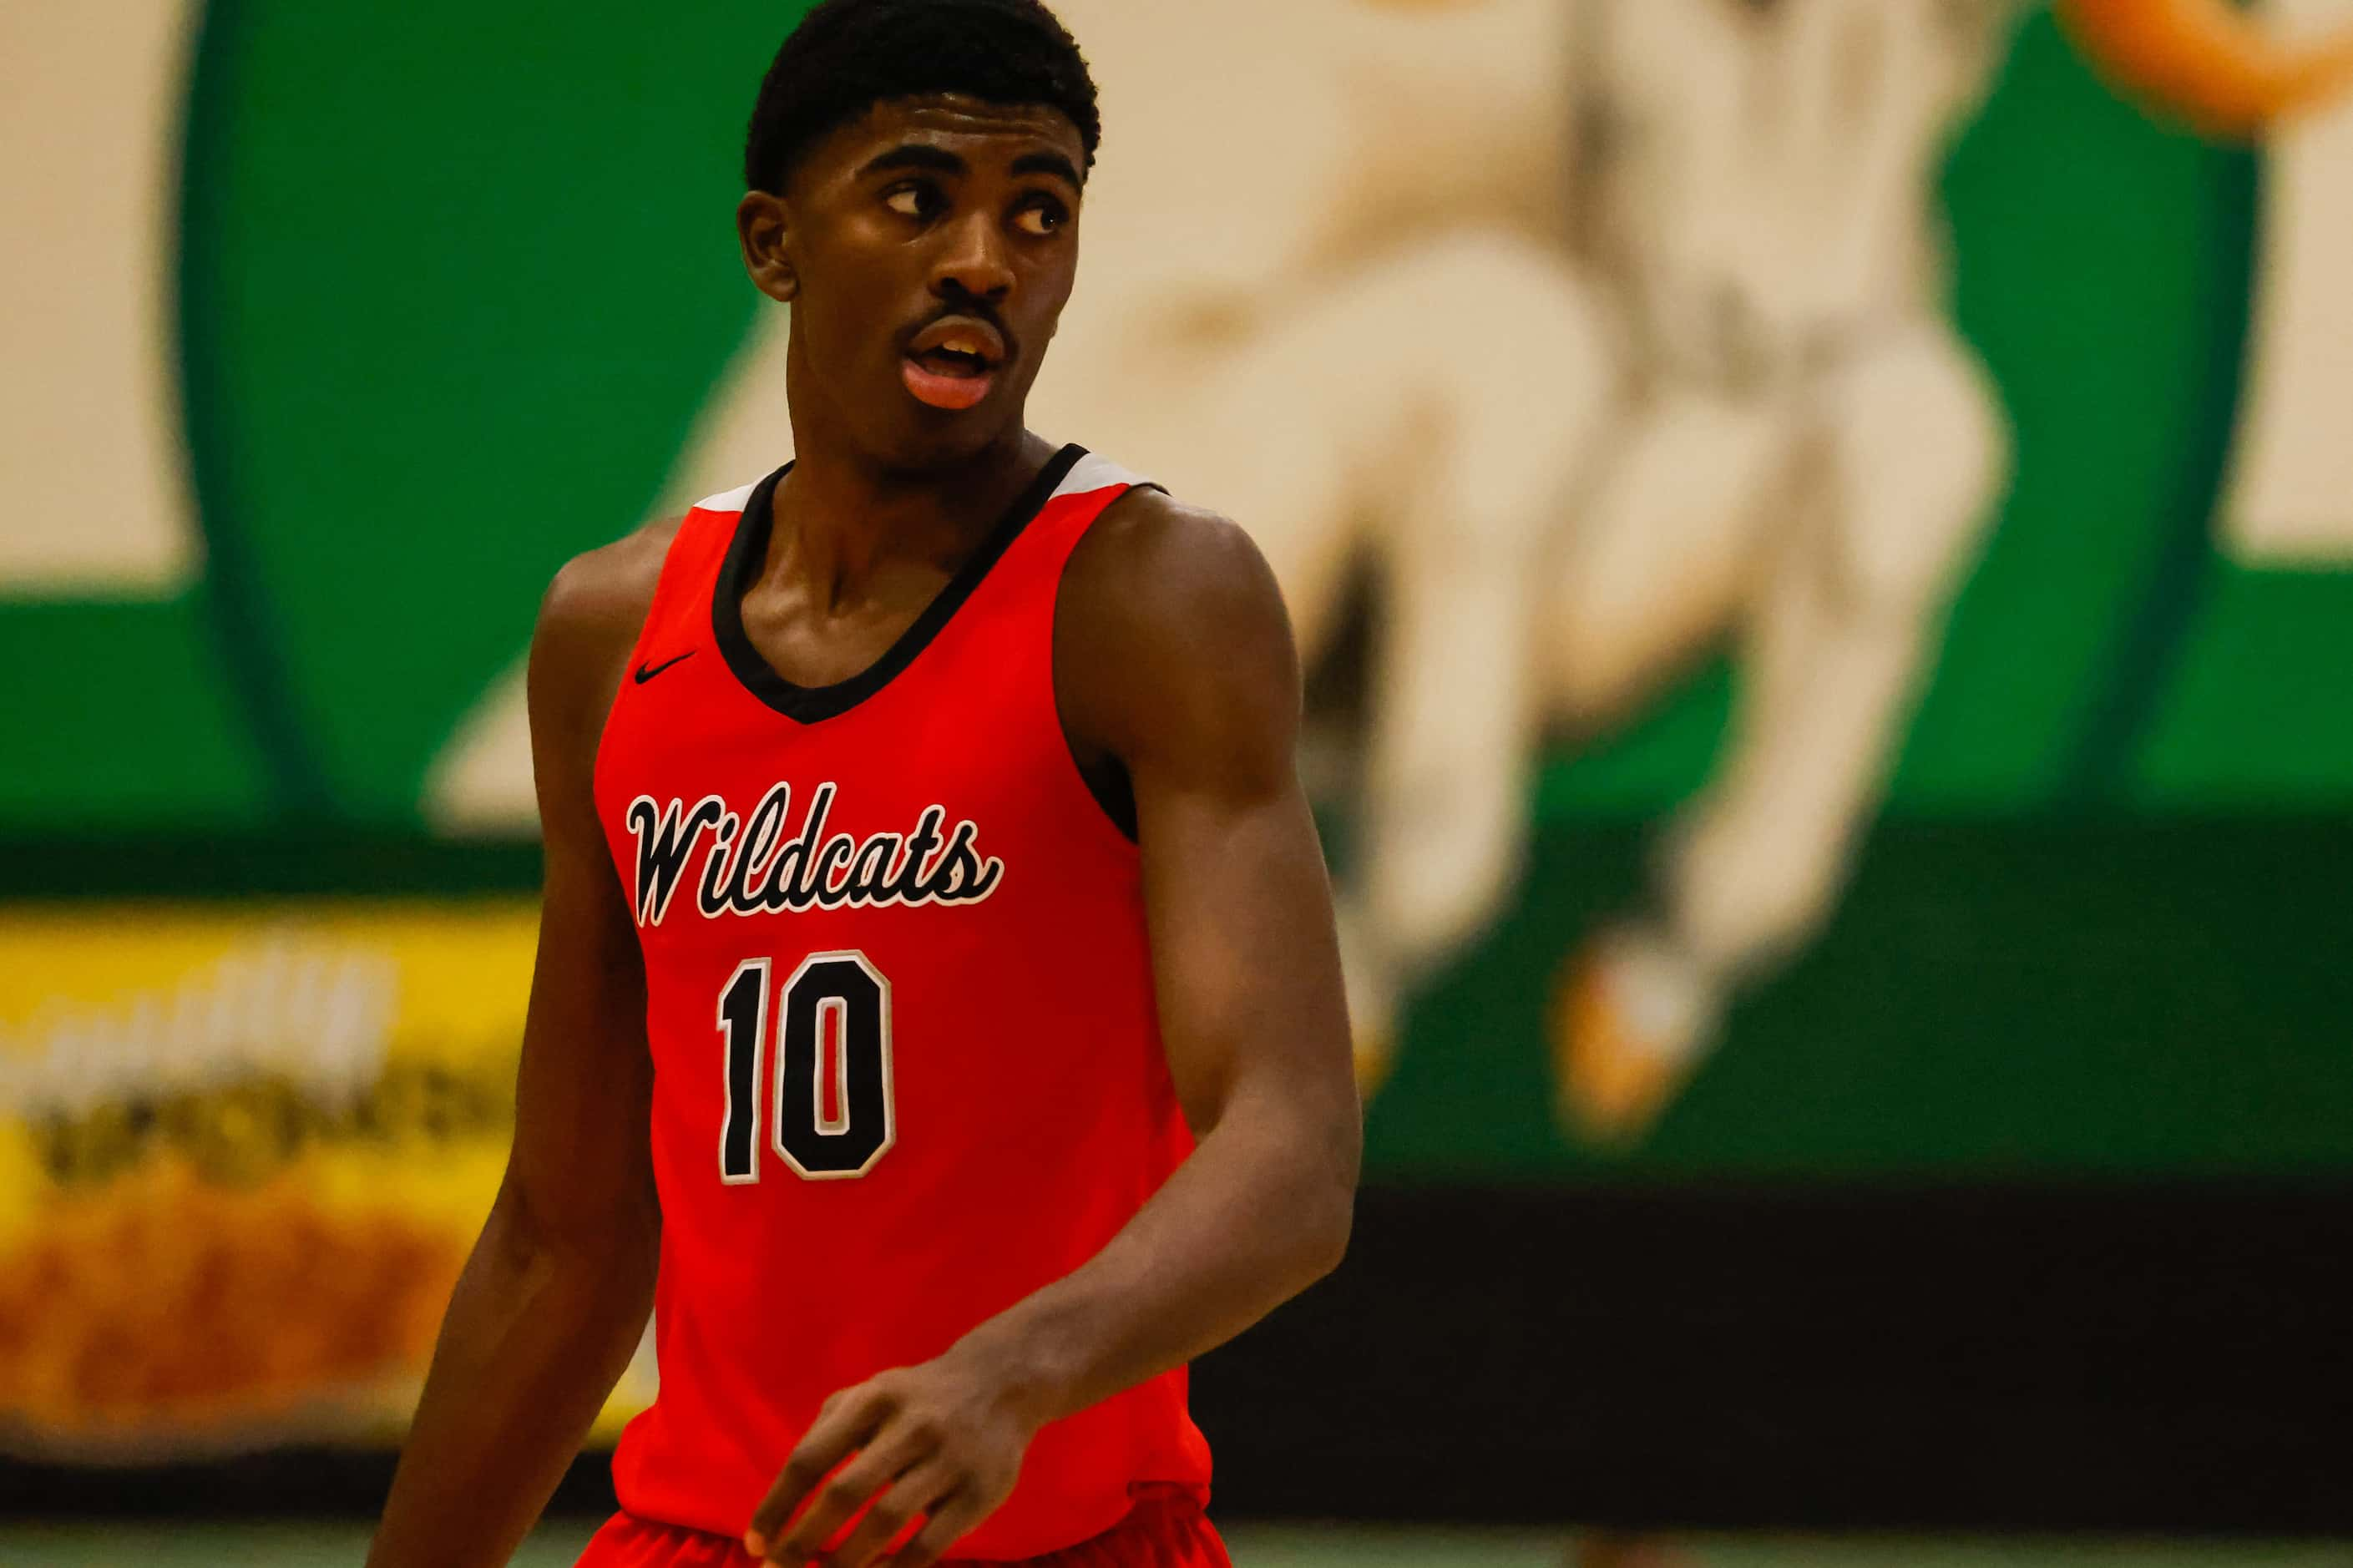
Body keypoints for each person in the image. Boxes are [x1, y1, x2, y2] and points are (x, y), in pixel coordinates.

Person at [364, 3, 1362, 1565]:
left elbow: (1292, 1146)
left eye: (1039, 210)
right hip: (704, 1536)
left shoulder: (1152, 599)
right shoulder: (611, 634)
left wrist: (1008, 1377)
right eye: (918, 197)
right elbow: (566, 1241)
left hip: (1065, 1534)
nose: (985, 256)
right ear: (774, 243)